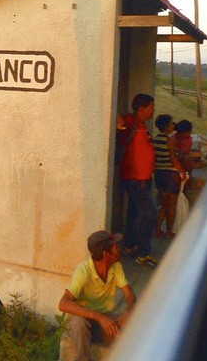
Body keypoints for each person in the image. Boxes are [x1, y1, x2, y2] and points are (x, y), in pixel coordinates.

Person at [59, 231, 136, 361]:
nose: (119, 249)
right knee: (79, 321)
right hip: (83, 322)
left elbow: (129, 293)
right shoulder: (83, 271)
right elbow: (63, 303)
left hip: (103, 321)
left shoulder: (116, 267)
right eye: (115, 247)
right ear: (106, 254)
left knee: (134, 319)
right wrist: (99, 317)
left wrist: (129, 311)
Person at [116, 93, 158, 266]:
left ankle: (130, 245)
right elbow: (119, 121)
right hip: (135, 178)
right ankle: (143, 252)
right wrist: (119, 122)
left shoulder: (142, 125)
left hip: (143, 178)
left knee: (135, 213)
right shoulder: (131, 121)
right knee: (151, 213)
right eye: (151, 107)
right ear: (141, 108)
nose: (153, 110)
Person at [152, 114, 187, 239]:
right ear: (167, 126)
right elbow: (173, 159)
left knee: (164, 203)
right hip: (171, 175)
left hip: (159, 173)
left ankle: (157, 229)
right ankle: (169, 231)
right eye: (171, 123)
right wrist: (182, 171)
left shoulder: (154, 139)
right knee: (172, 205)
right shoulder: (169, 140)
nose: (173, 125)